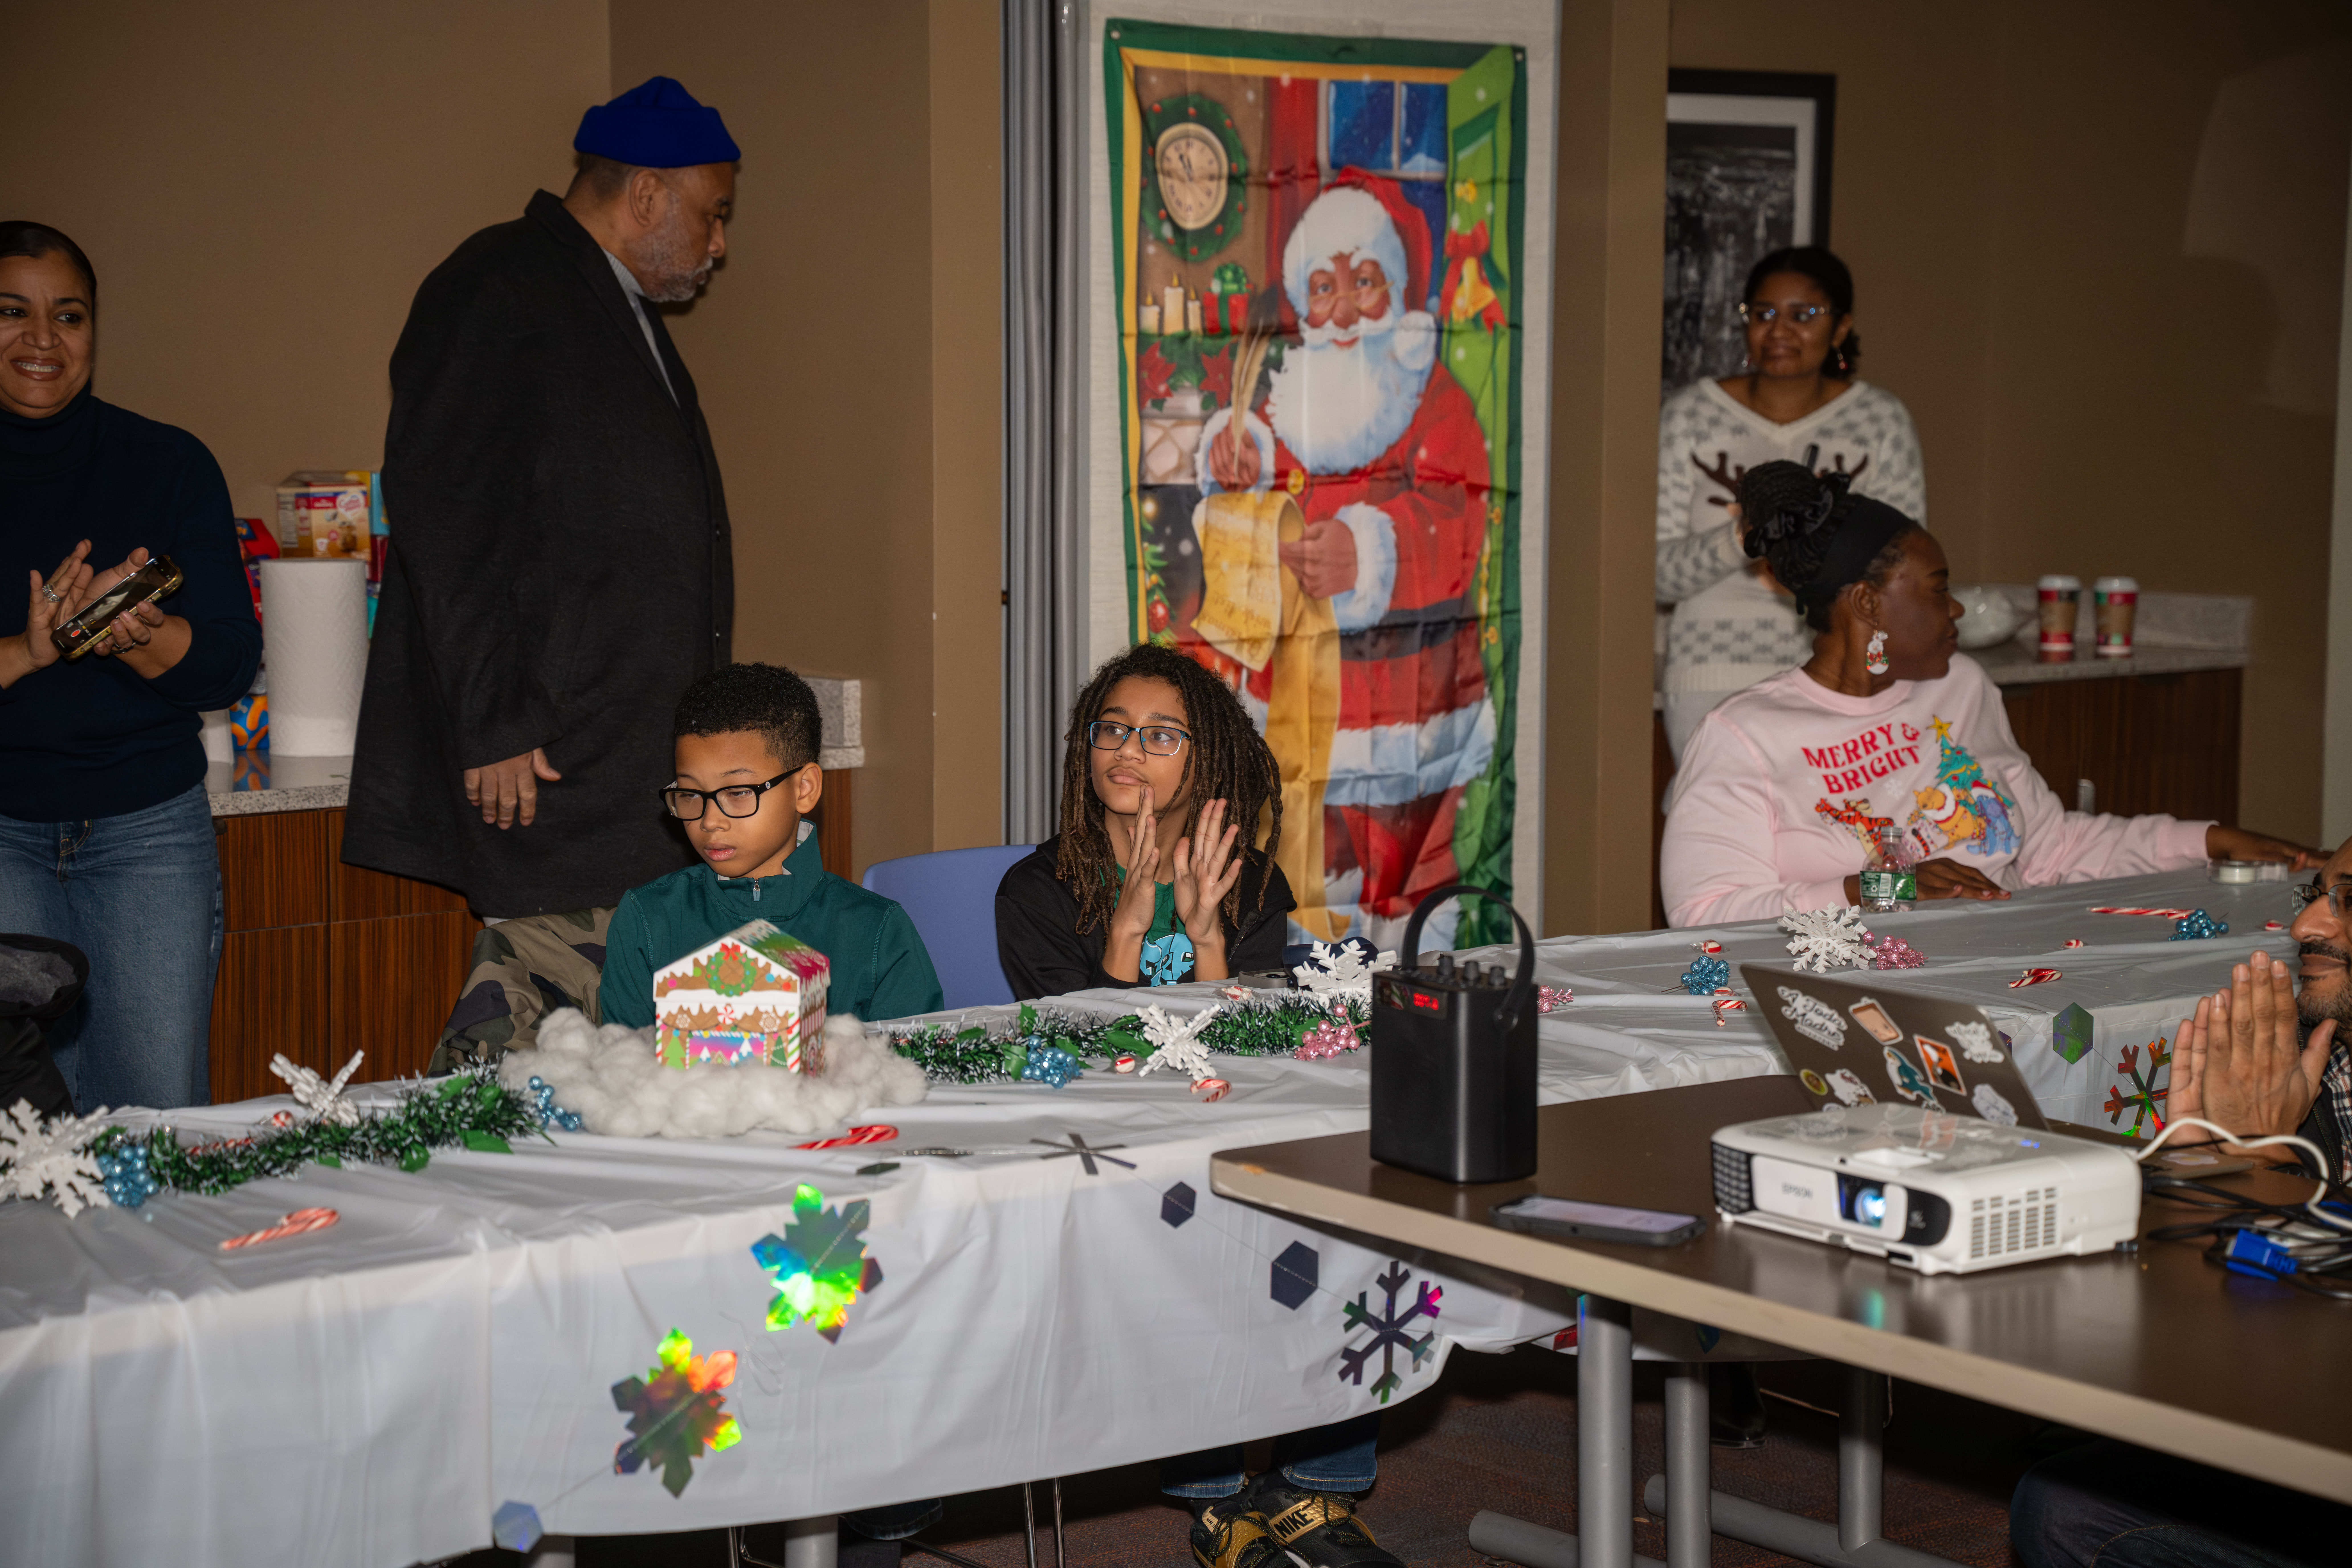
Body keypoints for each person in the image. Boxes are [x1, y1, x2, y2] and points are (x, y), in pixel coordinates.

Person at [344, 77, 741, 918]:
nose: (719, 243)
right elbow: (448, 514)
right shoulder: (498, 285)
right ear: (645, 194)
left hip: (625, 761)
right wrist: (496, 724)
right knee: (552, 1025)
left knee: (628, 1027)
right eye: (713, 213)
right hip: (549, 763)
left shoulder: (616, 307)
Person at [1659, 462, 2317, 928]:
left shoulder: (1961, 687)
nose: (1957, 612)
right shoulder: (1745, 734)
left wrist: (2209, 840)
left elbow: (2051, 846)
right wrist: (1889, 886)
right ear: (1868, 604)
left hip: (1995, 968)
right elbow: (1704, 914)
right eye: (1938, 589)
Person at [2006, 845, 2351, 1567]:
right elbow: (2201, 1353)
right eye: (2315, 896)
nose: (2307, 927)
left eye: (2348, 901)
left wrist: (2260, 1165)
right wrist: (2209, 1168)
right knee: (2060, 1492)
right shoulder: (2313, 1066)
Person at [1191, 172, 1493, 949]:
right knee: (1304, 864)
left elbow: (1458, 516)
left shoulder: (1432, 393)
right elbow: (1264, 468)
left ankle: (1412, 1003)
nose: (1347, 307)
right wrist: (1241, 459)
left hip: (1409, 695)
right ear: (1303, 302)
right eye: (1324, 287)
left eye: (1366, 280)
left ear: (1395, 286)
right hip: (1303, 695)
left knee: (1405, 871)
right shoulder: (1290, 393)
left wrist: (1367, 551)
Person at [0, 220, 262, 1110]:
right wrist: (30, 651)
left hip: (150, 835)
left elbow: (228, 662)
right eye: (13, 311)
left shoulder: (170, 462)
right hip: (2, 831)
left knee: (158, 1116)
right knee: (23, 1131)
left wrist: (133, 634)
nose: (43, 338)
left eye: (68, 315)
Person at [1655, 247, 1925, 760]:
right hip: (1712, 671)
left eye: (1804, 315)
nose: (1779, 330)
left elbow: (1906, 569)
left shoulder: (1880, 421)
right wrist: (1746, 536)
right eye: (1763, 314)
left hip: (1838, 672)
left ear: (1841, 327)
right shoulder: (1691, 415)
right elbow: (1654, 574)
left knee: (1834, 833)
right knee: (1718, 832)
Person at [599, 663, 941, 1028]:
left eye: (738, 793)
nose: (710, 820)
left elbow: (910, 1074)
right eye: (690, 793)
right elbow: (622, 1068)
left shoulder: (877, 931)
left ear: (804, 789)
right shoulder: (648, 920)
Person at [995, 643, 1294, 997]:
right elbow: (1079, 1046)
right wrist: (1126, 933)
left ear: (1210, 762)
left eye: (1161, 735)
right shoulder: (1038, 892)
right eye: (1112, 729)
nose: (1127, 750)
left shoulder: (1252, 887)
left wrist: (1208, 942)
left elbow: (1240, 1046)